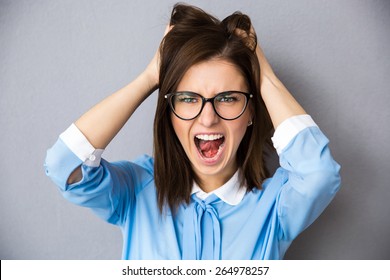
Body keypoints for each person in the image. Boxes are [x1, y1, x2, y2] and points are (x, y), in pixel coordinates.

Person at [44, 3, 341, 260]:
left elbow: (320, 175)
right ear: (170, 113)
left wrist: (261, 72)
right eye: (188, 98)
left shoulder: (276, 205)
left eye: (227, 98)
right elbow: (63, 166)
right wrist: (151, 76)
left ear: (251, 111)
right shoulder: (137, 190)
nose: (208, 118)